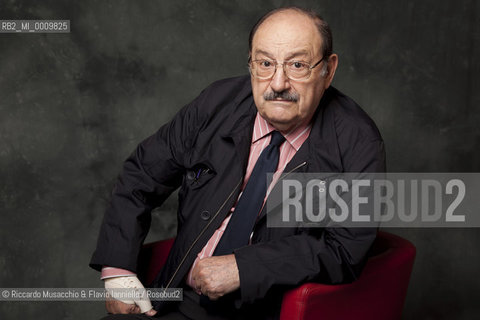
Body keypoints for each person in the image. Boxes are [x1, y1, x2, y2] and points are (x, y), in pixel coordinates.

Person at [90, 6, 385, 320]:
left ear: (328, 70)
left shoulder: (358, 142)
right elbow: (142, 174)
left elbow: (345, 251)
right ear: (251, 64)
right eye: (265, 64)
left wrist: (245, 267)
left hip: (263, 310)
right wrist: (117, 269)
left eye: (297, 65)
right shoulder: (216, 104)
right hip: (174, 299)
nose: (279, 83)